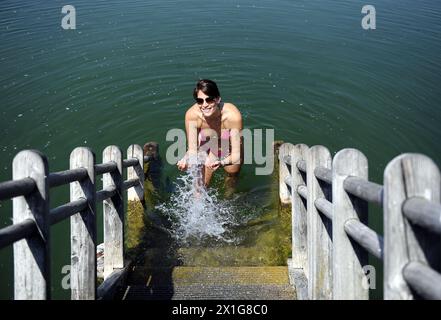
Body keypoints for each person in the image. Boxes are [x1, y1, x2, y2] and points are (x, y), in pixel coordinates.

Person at [177, 79, 243, 191]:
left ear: (217, 99)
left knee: (232, 175)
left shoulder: (232, 116)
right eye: (200, 101)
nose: (205, 105)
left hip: (228, 142)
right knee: (201, 187)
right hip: (206, 142)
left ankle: (228, 198)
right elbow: (193, 149)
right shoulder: (192, 115)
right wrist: (186, 159)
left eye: (209, 100)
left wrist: (221, 163)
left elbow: (236, 155)